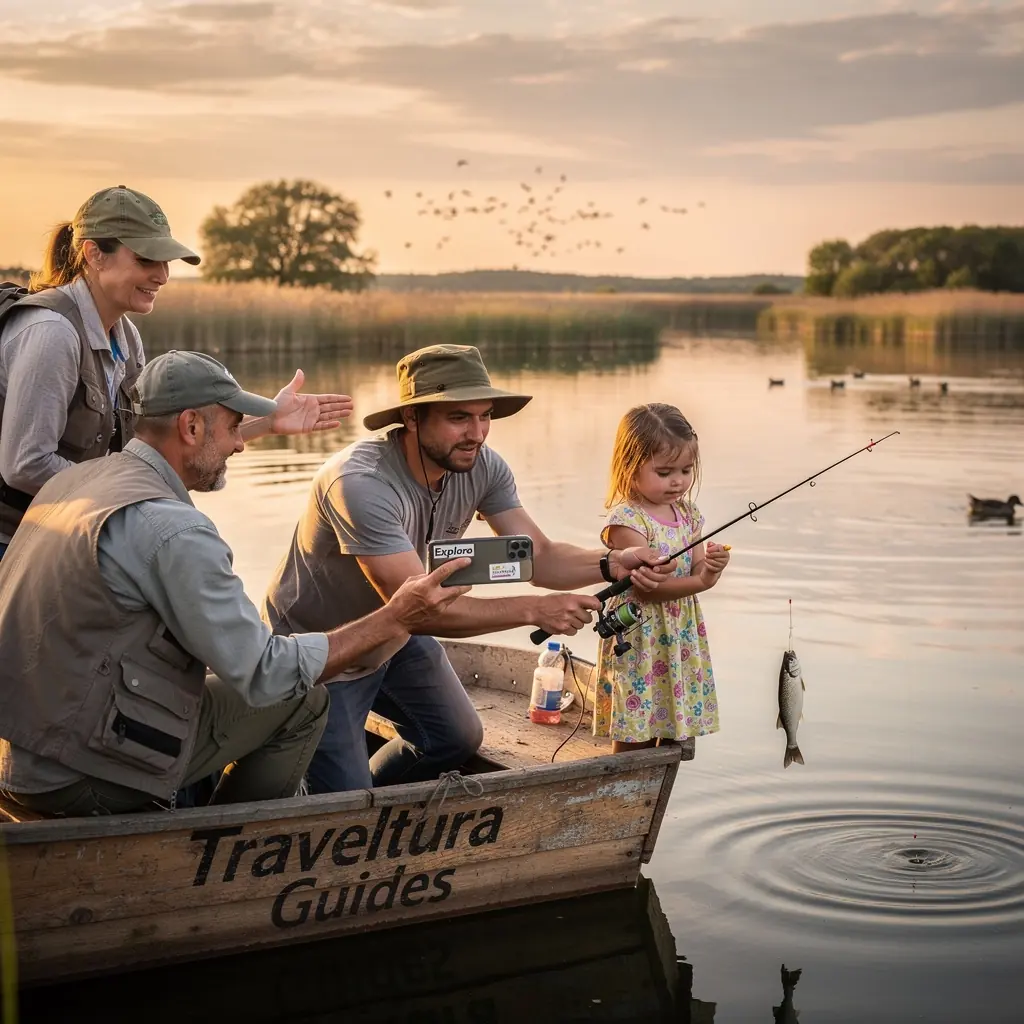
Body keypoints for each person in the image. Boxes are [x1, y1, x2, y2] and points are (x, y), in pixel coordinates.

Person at [0, 350, 469, 819]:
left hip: (20, 750)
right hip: (84, 776)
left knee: (215, 673)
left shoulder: (79, 480)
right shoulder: (173, 529)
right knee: (302, 700)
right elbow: (266, 674)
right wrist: (394, 617)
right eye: (232, 428)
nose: (239, 444)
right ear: (190, 427)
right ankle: (223, 848)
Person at [262, 343, 677, 794]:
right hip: (323, 651)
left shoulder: (482, 466)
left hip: (395, 639)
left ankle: (378, 805)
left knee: (456, 739)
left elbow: (536, 554)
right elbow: (419, 611)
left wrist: (611, 563)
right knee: (342, 800)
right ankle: (335, 796)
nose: (477, 433)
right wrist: (537, 611)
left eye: (485, 417)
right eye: (459, 417)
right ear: (413, 417)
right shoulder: (360, 484)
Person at [0, 184, 352, 559]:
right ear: (94, 254)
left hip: (68, 533)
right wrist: (134, 499)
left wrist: (267, 421)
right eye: (146, 260)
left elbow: (160, 444)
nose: (163, 276)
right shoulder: (52, 334)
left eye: (165, 262)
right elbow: (25, 465)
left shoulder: (126, 337)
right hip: (14, 544)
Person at [593, 404, 731, 752]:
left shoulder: (688, 512)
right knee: (635, 729)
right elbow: (651, 591)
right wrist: (702, 582)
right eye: (665, 471)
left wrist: (712, 567)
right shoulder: (627, 521)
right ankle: (620, 791)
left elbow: (698, 568)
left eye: (686, 470)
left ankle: (654, 793)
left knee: (671, 725)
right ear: (630, 467)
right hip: (641, 637)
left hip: (679, 638)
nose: (678, 481)